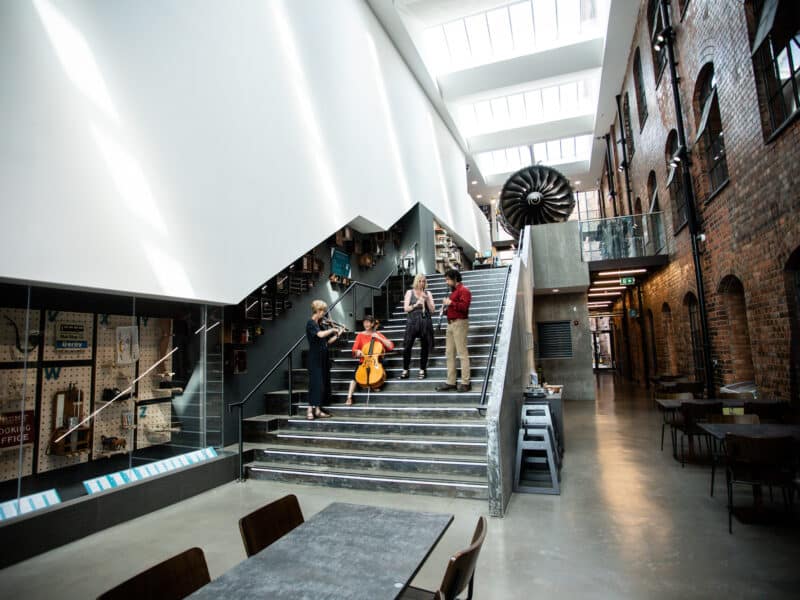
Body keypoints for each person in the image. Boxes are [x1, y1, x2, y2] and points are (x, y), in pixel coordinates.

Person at [305, 300, 343, 420]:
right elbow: (320, 335)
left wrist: (338, 334)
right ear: (318, 310)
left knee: (323, 384)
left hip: (323, 356)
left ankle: (318, 410)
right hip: (315, 357)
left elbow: (327, 342)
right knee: (316, 383)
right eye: (323, 311)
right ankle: (309, 410)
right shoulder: (311, 323)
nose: (324, 313)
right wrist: (332, 329)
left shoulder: (320, 325)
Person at [436, 269, 472, 392]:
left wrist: (450, 302)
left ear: (455, 278)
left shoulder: (464, 291)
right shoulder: (453, 292)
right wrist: (445, 311)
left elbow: (464, 307)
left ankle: (465, 382)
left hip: (460, 323)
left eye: (448, 279)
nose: (446, 282)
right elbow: (454, 308)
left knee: (462, 353)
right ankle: (451, 381)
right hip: (450, 324)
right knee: (449, 353)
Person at [346, 315, 395, 404]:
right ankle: (349, 397)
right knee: (355, 374)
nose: (366, 324)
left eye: (368, 322)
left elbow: (390, 346)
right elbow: (354, 350)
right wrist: (358, 352)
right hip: (364, 361)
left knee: (384, 362)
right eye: (364, 322)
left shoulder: (378, 334)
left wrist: (378, 337)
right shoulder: (360, 335)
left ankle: (375, 382)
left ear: (372, 324)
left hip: (376, 360)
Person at [399, 274, 435, 380]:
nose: (422, 283)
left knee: (424, 346)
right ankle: (405, 369)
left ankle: (422, 369)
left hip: (425, 321)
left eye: (424, 281)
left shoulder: (428, 293)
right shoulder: (410, 292)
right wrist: (416, 305)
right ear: (416, 281)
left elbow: (433, 310)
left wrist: (427, 300)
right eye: (420, 281)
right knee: (407, 346)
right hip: (413, 322)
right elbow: (405, 308)